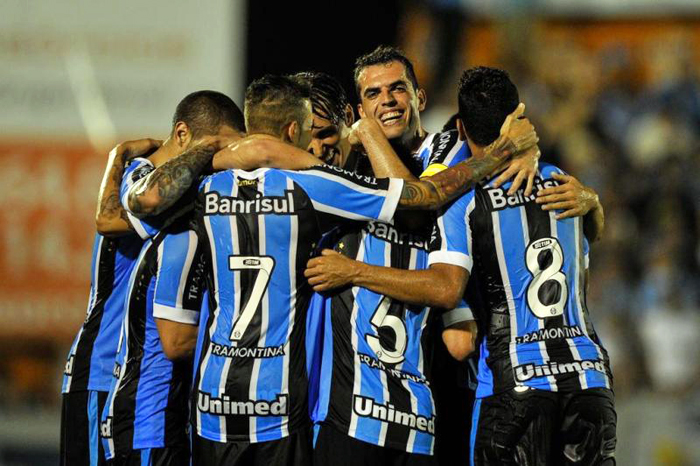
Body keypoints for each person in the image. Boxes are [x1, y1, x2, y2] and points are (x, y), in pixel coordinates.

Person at [187, 73, 537, 466]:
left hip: (284, 413)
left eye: (326, 136)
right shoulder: (326, 197)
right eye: (310, 134)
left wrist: (355, 271)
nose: (317, 148)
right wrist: (508, 149)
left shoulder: (215, 187)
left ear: (348, 127)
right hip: (345, 419)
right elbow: (427, 197)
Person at [310, 67, 615, 465]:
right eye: (374, 93)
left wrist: (354, 271)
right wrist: (593, 201)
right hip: (591, 379)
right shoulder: (562, 182)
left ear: (459, 127)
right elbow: (589, 235)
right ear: (516, 120)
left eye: (396, 89)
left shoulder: (461, 198)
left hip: (511, 386)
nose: (386, 101)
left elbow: (456, 326)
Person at [99, 90, 247, 465]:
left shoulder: (179, 208)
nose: (223, 163)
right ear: (183, 135)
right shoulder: (152, 189)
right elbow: (109, 219)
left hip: (133, 389)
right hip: (111, 378)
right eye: (216, 151)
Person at [60, 139, 162, 466]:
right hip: (102, 373)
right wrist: (116, 156)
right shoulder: (148, 185)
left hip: (138, 383)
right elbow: (107, 219)